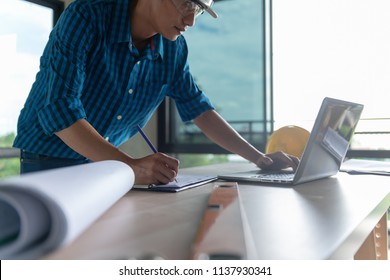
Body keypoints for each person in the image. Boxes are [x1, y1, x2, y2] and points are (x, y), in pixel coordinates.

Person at [13, 0, 299, 185]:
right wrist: (131, 166)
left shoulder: (174, 48)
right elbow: (59, 109)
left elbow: (198, 106)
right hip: (48, 162)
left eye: (198, 10)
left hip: (104, 166)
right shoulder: (87, 15)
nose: (191, 21)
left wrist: (259, 158)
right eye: (187, 4)